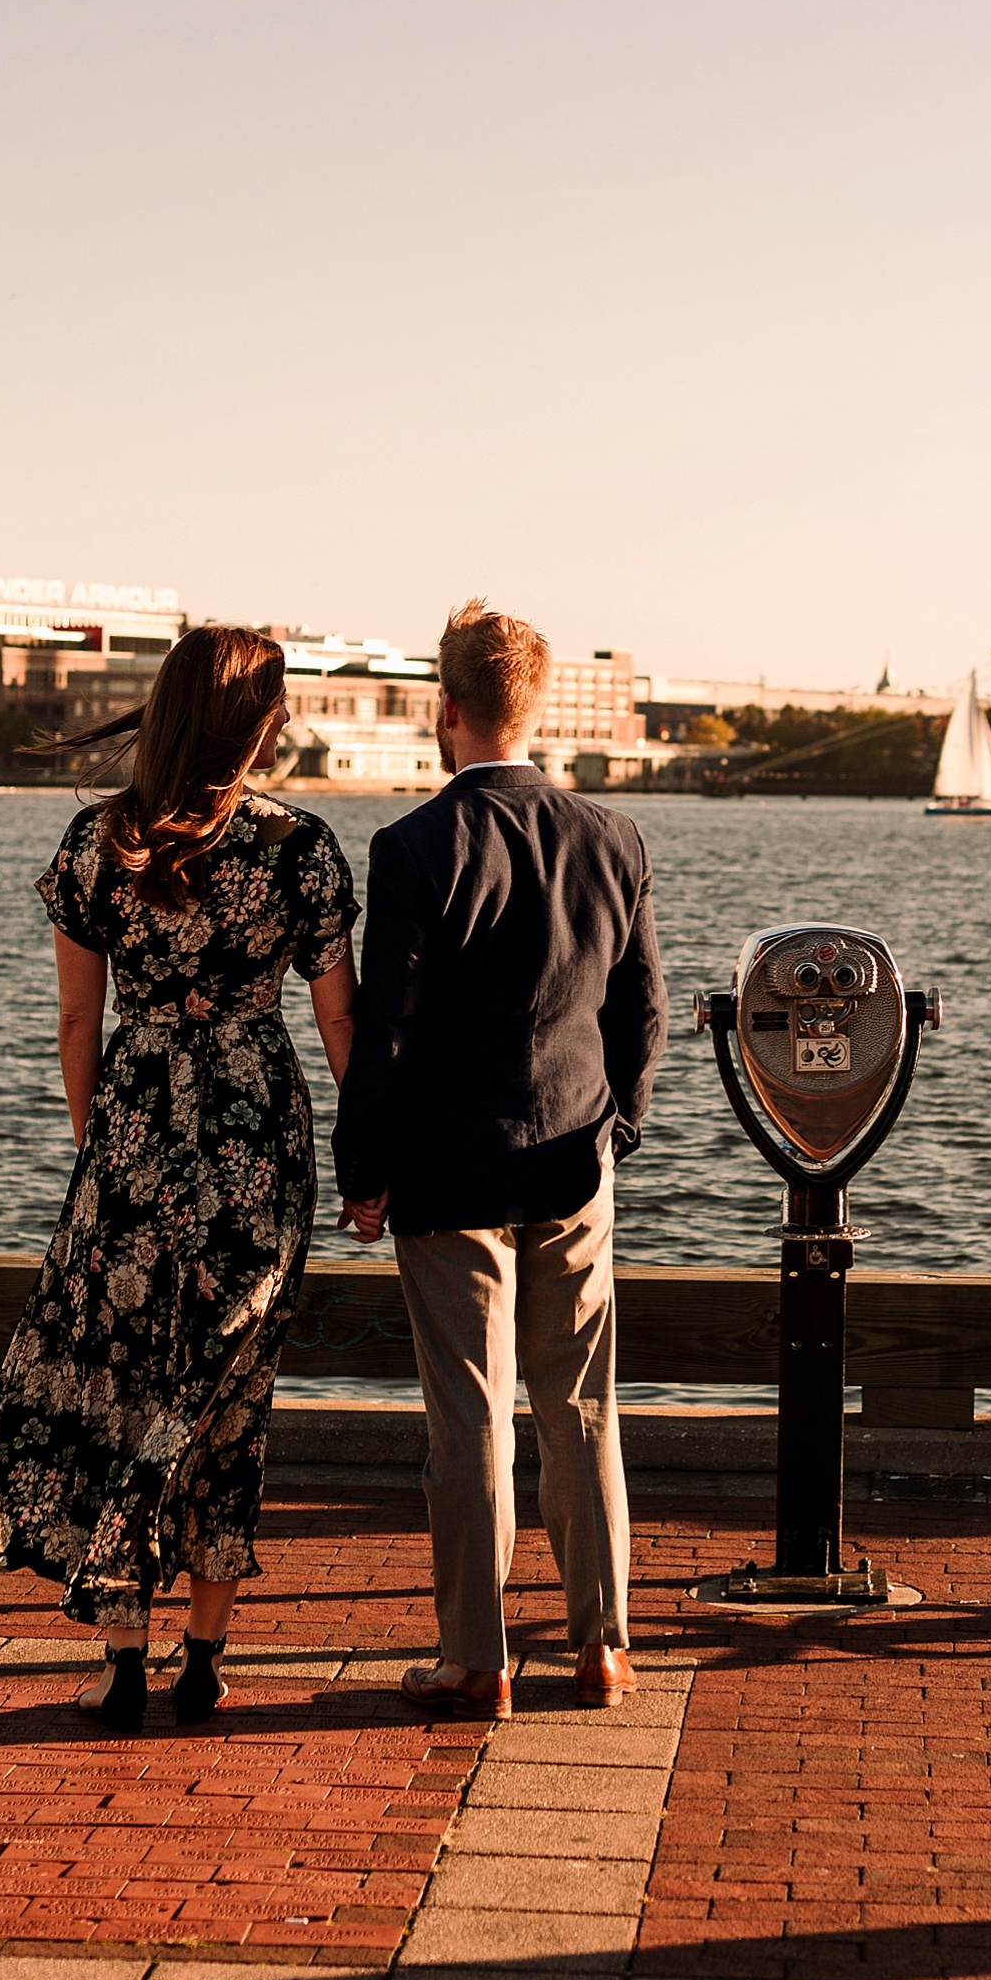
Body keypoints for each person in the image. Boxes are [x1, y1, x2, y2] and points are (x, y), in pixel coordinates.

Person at [0, 624, 369, 1731]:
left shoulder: (100, 844)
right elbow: (341, 1026)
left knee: (131, 1382)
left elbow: (77, 1022)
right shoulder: (300, 849)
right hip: (256, 1139)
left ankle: (127, 1661)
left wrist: (103, 1152)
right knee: (229, 1398)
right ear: (259, 720)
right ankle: (206, 1660)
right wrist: (370, 1166)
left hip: (133, 1135)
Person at [334, 599, 665, 1715]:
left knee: (469, 1414)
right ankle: (603, 1644)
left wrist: (362, 1172)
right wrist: (615, 1129)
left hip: (447, 1170)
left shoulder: (414, 846)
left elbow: (387, 1034)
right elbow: (645, 1012)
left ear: (447, 711)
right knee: (582, 1408)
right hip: (573, 1157)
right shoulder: (612, 838)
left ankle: (476, 1661)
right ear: (532, 707)